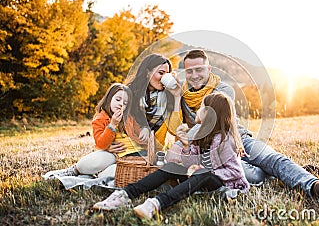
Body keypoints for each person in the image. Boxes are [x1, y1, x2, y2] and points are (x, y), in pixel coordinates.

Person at [175, 49, 319, 207]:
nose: (194, 75)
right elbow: (178, 127)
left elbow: (211, 121)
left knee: (273, 159)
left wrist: (191, 132)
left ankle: (315, 188)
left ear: (208, 70)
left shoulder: (223, 89)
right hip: (216, 152)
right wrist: (176, 98)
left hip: (239, 139)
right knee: (256, 175)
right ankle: (291, 173)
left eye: (199, 69)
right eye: (189, 71)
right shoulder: (182, 96)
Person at [92, 92, 250, 220]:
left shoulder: (225, 140)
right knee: (172, 167)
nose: (197, 110)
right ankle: (124, 194)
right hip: (200, 178)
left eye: (202, 107)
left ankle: (156, 204)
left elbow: (235, 173)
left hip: (224, 184)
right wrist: (187, 146)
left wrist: (202, 170)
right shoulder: (200, 135)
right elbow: (189, 163)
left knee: (203, 173)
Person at [43, 54, 181, 179]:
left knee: (116, 174)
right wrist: (108, 146)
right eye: (161, 73)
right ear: (147, 73)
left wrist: (176, 98)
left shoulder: (169, 98)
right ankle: (74, 171)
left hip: (146, 154)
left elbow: (175, 129)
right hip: (118, 149)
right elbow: (106, 115)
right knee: (96, 162)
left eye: (167, 74)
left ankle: (100, 175)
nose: (164, 78)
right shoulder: (129, 92)